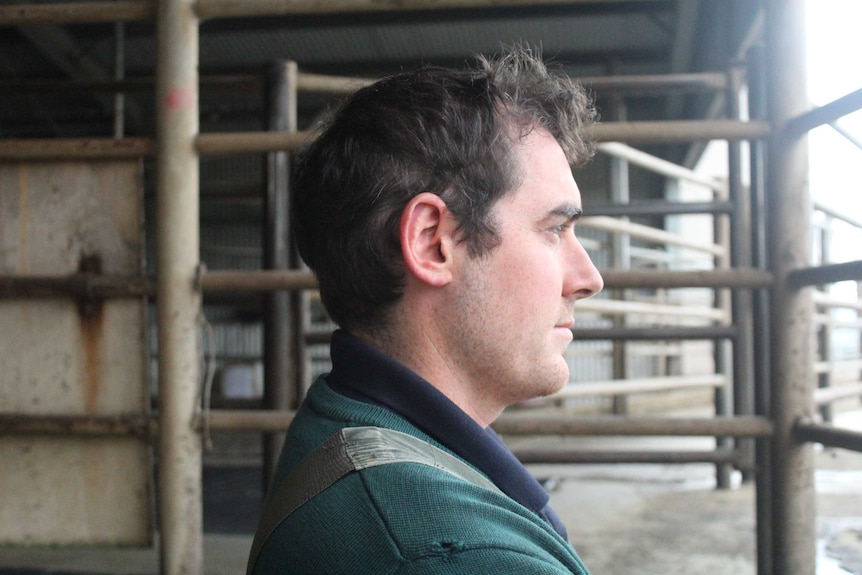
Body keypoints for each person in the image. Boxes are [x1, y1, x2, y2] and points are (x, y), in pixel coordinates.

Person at [248, 45, 604, 575]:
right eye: (554, 230)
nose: (589, 279)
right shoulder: (455, 555)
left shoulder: (341, 423)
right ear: (433, 241)